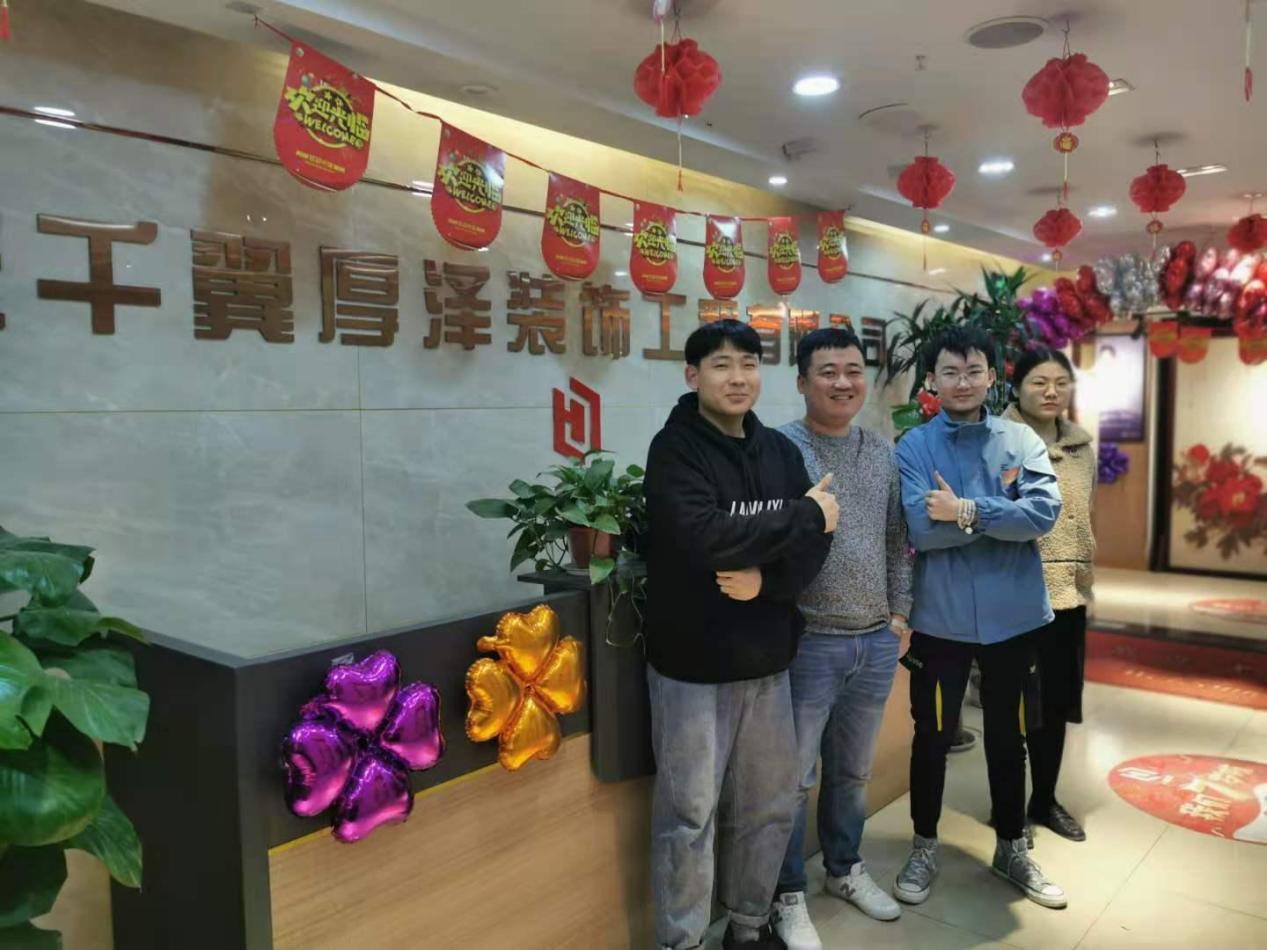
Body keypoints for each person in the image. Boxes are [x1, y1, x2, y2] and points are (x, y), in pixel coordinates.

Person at [643, 319, 838, 950]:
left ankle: (749, 927)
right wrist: (802, 514)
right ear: (692, 375)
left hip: (768, 661)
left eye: (749, 364)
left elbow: (818, 543)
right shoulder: (674, 451)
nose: (738, 378)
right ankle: (681, 941)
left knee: (769, 807)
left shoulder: (779, 452)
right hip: (691, 668)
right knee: (689, 817)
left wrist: (767, 581)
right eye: (722, 365)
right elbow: (702, 536)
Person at [892, 325, 1068, 910]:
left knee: (1009, 736)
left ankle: (1012, 846)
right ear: (932, 380)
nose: (962, 382)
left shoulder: (1021, 440)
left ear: (993, 377)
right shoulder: (915, 447)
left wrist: (965, 510)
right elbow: (921, 530)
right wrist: (999, 517)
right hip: (940, 622)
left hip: (1014, 620)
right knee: (932, 737)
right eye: (950, 372)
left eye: (974, 371)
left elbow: (1042, 515)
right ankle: (923, 845)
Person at [767, 328, 911, 950]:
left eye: (853, 370)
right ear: (802, 381)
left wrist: (899, 615)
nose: (844, 382)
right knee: (792, 779)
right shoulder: (778, 449)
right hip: (807, 645)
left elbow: (897, 541)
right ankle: (786, 894)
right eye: (828, 371)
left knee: (852, 773)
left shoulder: (880, 451)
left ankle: (844, 868)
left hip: (875, 640)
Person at [1003, 346, 1095, 843]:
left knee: (1056, 705)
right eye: (1039, 382)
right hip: (1014, 593)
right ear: (1017, 386)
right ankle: (1007, 807)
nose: (1051, 391)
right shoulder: (998, 439)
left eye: (1060, 382)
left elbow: (1084, 517)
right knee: (1011, 706)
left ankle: (1044, 799)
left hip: (1068, 597)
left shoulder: (1081, 446)